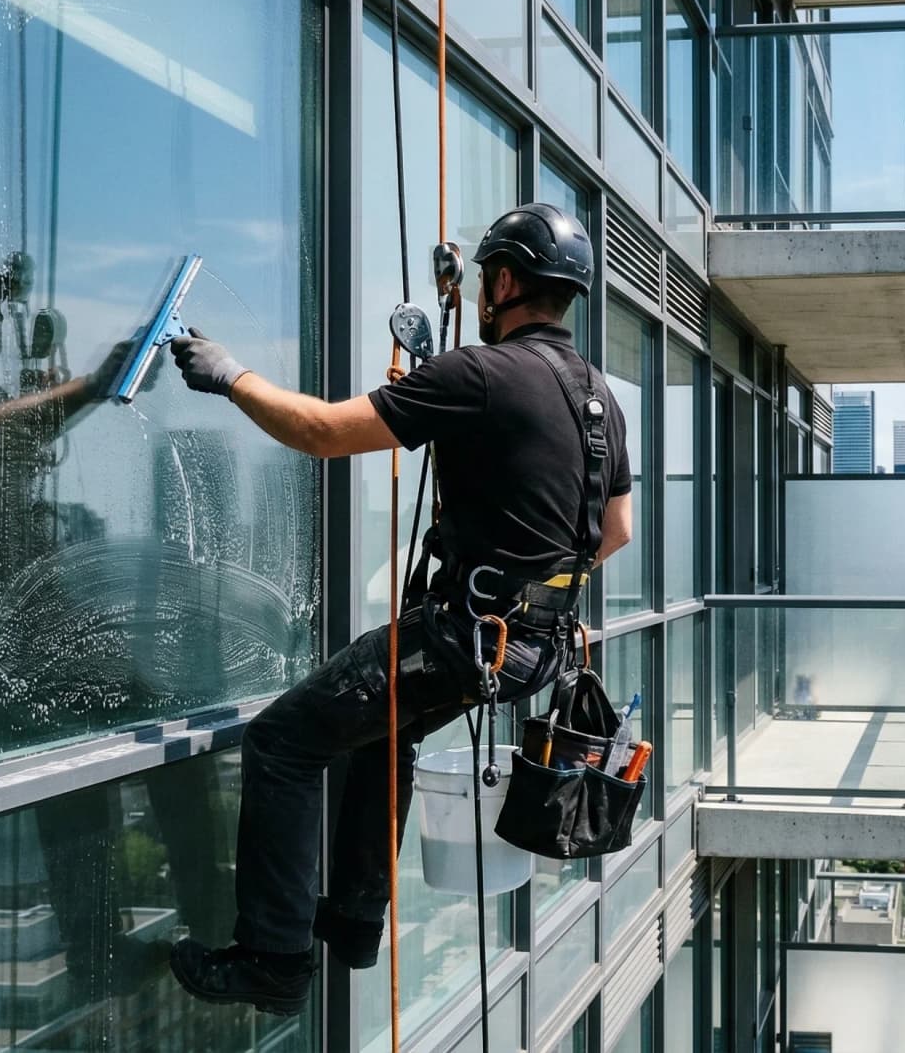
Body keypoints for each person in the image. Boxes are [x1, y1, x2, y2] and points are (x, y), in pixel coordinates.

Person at [166, 203, 632, 1014]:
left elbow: (321, 432)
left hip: (466, 638)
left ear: (505, 283)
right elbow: (616, 529)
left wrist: (231, 374)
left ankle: (275, 958)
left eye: (485, 280)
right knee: (384, 729)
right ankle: (352, 920)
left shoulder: (477, 376)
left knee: (282, 741)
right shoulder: (599, 398)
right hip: (534, 646)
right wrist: (528, 578)